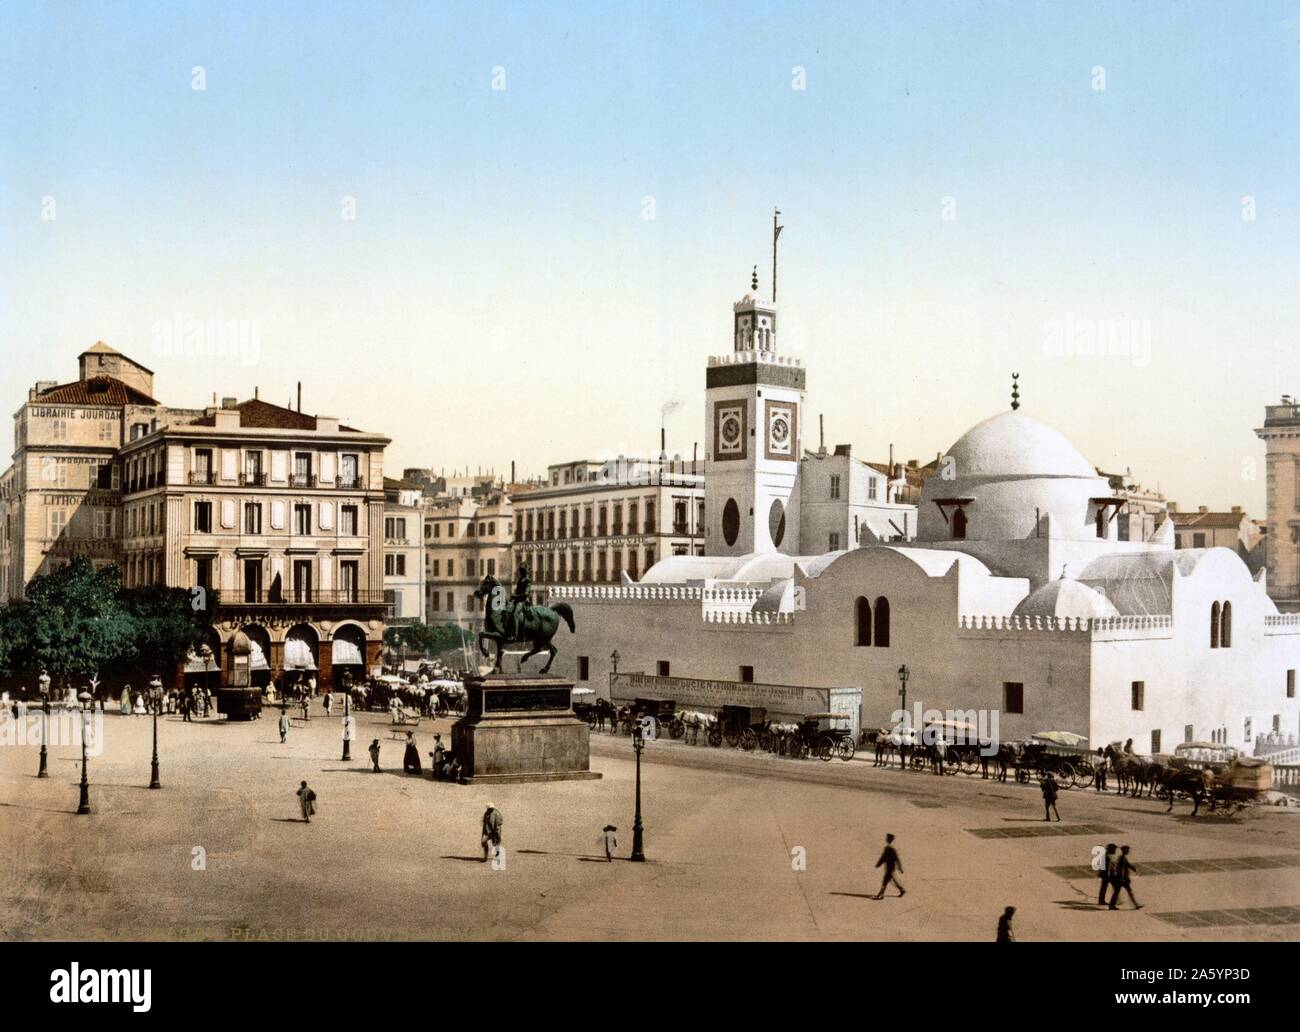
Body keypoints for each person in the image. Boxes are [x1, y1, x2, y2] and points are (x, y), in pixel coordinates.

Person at [1108, 845, 1142, 910]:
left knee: (1123, 891)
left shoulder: (1123, 857)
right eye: (1127, 850)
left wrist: (1133, 868)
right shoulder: (1122, 858)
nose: (1128, 851)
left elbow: (1127, 864)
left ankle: (1136, 904)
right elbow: (1121, 869)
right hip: (1121, 878)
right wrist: (1123, 878)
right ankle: (1112, 905)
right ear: (1124, 851)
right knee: (1119, 892)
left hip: (1121, 878)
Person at [873, 833, 905, 899]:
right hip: (890, 868)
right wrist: (879, 864)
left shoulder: (890, 849)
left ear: (890, 839)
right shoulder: (888, 848)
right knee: (891, 880)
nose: (886, 839)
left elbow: (895, 859)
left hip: (890, 868)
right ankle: (902, 890)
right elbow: (884, 858)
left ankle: (881, 894)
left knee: (885, 880)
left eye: (887, 838)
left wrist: (900, 868)